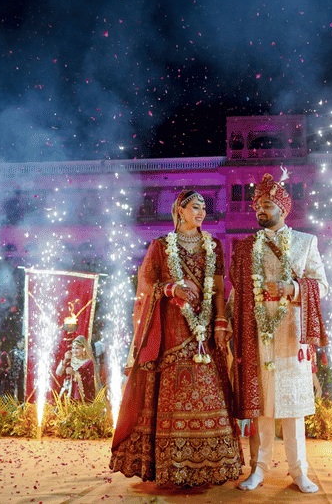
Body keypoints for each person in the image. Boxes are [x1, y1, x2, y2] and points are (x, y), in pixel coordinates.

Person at [110, 189, 243, 487]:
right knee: (172, 393)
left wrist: (221, 321)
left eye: (204, 208)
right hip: (171, 330)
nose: (201, 213)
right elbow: (147, 286)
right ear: (180, 210)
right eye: (195, 207)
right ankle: (172, 467)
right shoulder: (160, 247)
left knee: (210, 390)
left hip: (205, 333)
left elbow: (220, 287)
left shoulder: (214, 246)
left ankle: (209, 466)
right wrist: (172, 290)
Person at [230, 172, 328, 494]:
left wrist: (292, 288)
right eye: (257, 205)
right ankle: (259, 468)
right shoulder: (245, 248)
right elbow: (235, 291)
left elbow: (322, 287)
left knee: (293, 407)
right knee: (263, 407)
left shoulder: (305, 242)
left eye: (267, 205)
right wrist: (225, 325)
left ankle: (299, 470)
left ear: (283, 210)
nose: (260, 210)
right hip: (256, 335)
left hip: (291, 336)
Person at [55, 334, 99, 402]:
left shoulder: (88, 362)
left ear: (84, 349)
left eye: (77, 348)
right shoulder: (70, 359)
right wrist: (65, 360)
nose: (74, 351)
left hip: (80, 398)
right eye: (73, 348)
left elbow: (89, 382)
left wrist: (74, 373)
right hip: (66, 394)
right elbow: (58, 373)